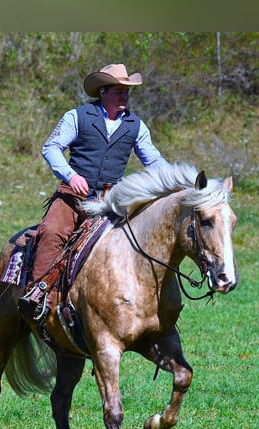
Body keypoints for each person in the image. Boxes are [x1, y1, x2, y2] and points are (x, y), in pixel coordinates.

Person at [18, 63, 169, 318]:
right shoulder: (77, 116)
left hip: (111, 200)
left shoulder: (136, 126)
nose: (125, 96)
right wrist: (71, 175)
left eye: (127, 91)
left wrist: (173, 180)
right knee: (53, 232)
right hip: (73, 196)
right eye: (119, 90)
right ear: (103, 92)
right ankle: (38, 293)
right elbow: (51, 148)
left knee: (130, 242)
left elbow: (153, 160)